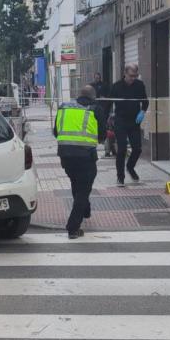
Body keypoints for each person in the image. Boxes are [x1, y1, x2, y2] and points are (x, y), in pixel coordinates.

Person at [54, 85, 105, 240]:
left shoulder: (63, 108)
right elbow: (102, 135)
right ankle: (73, 228)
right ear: (93, 97)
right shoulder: (95, 109)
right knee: (83, 190)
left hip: (65, 156)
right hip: (85, 157)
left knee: (77, 184)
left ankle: (85, 210)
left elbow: (56, 132)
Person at [109, 64, 149, 187]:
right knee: (121, 150)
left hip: (134, 121)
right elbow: (108, 103)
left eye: (135, 76)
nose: (133, 78)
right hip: (120, 120)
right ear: (125, 73)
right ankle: (120, 177)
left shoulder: (139, 85)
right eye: (131, 76)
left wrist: (143, 111)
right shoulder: (116, 86)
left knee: (137, 149)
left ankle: (130, 167)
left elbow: (145, 101)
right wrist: (107, 117)